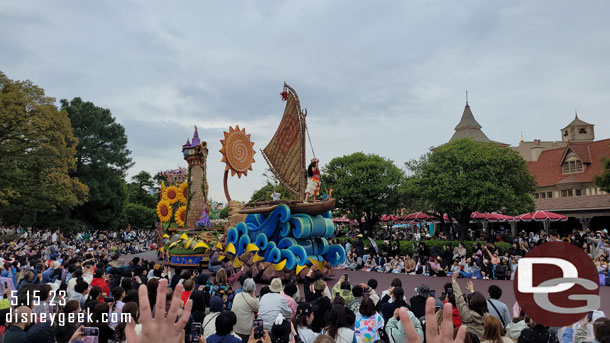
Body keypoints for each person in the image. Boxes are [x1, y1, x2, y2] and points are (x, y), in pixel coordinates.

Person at [452, 272, 487, 338]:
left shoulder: (466, 314)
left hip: (467, 339)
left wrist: (454, 282)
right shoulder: (487, 316)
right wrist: (472, 291)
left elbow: (459, 299)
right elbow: (480, 301)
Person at [232, 278, 259, 343]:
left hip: (234, 328)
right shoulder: (253, 301)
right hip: (245, 332)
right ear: (253, 289)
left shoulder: (237, 295)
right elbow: (258, 308)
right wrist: (254, 296)